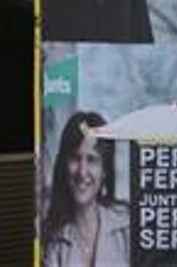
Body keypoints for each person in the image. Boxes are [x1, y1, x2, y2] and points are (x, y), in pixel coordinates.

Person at [43, 111, 130, 267]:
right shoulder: (51, 237)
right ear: (64, 164)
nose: (82, 172)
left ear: (105, 170)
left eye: (92, 160)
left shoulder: (127, 225)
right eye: (75, 158)